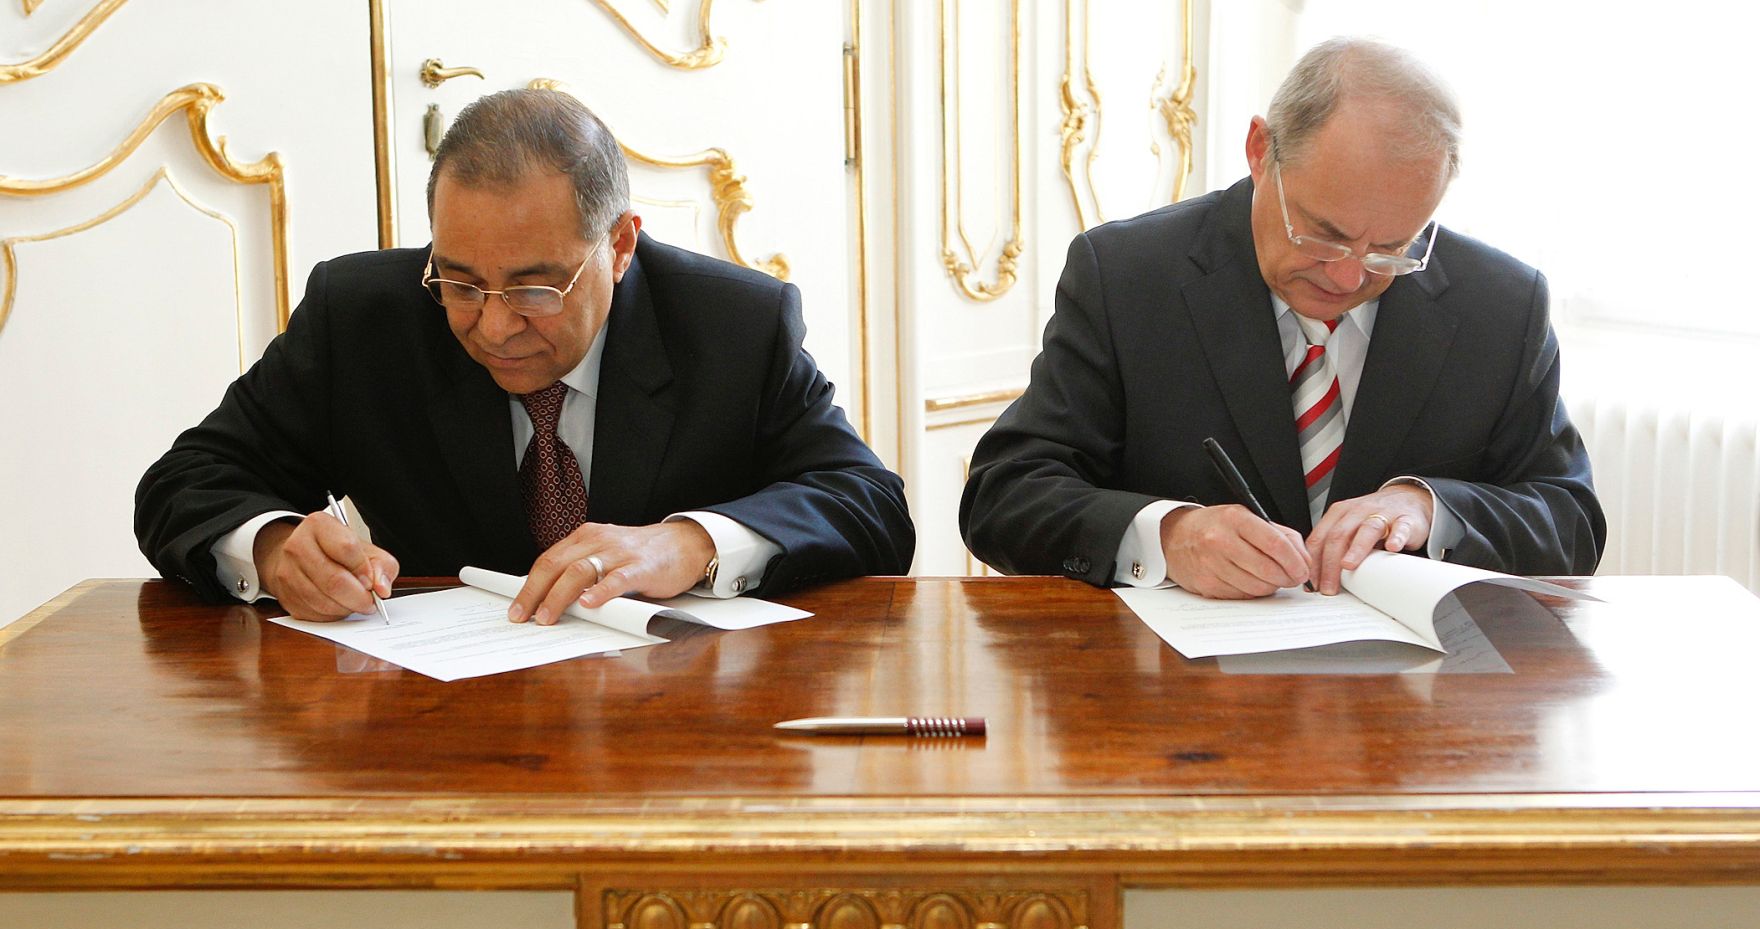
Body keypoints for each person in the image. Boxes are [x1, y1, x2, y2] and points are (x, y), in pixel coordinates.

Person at [136, 88, 913, 623]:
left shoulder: (733, 323)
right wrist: (271, 550)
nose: (494, 327)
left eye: (535, 288)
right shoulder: (363, 316)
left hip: (673, 736)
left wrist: (690, 542)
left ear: (620, 246)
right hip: (432, 736)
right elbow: (183, 482)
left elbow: (870, 504)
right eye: (462, 282)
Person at [960, 38, 1603, 599]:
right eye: (1323, 234)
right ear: (1260, 151)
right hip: (1172, 701)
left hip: (1413, 707)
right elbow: (1004, 496)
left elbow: (1570, 520)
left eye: (1391, 249)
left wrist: (1430, 510)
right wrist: (1166, 535)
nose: (1349, 277)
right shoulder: (1126, 275)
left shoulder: (1501, 304)